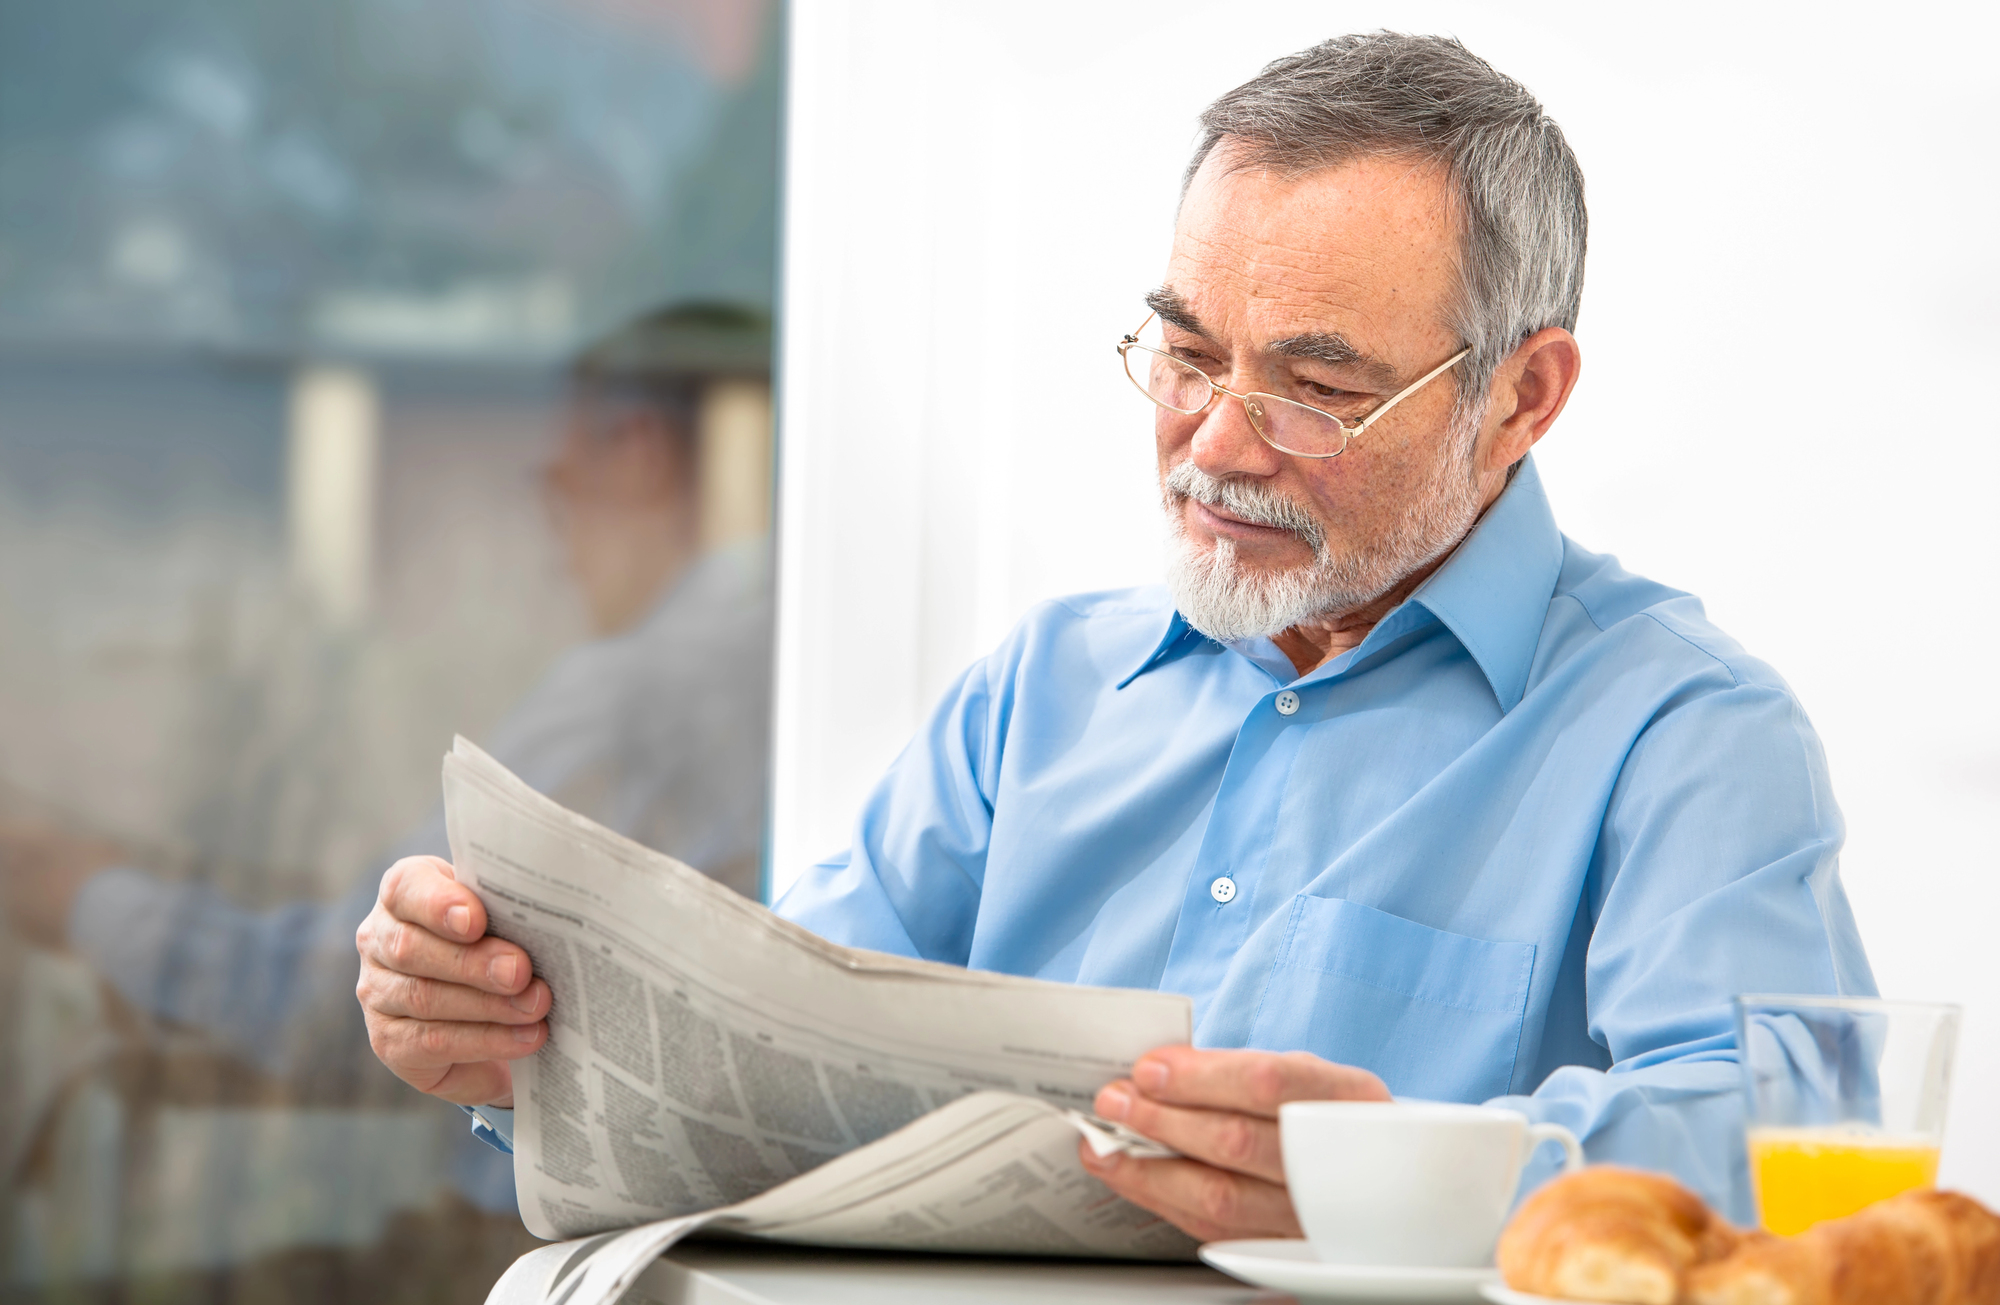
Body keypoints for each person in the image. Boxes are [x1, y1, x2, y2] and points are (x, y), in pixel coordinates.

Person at [353, 34, 1872, 1237]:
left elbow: (1798, 1143)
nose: (1216, 441)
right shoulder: (1039, 693)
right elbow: (781, 1047)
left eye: (1315, 387)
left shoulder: (1687, 734)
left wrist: (1408, 1175)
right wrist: (519, 1042)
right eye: (1188, 352)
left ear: (1524, 399)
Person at [1, 303, 774, 1208]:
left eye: (557, 484)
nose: (556, 546)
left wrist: (73, 889)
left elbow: (329, 1001)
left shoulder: (640, 697)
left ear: (638, 448)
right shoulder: (773, 667)